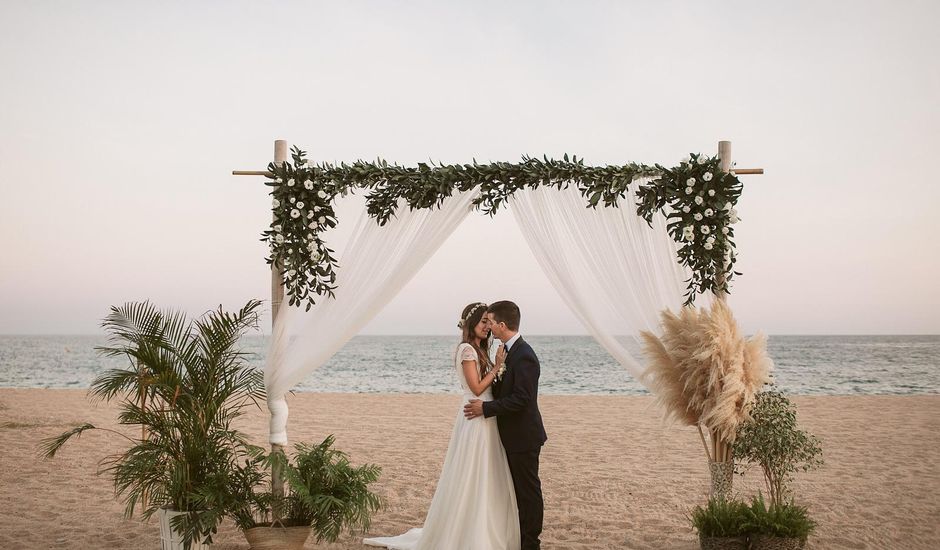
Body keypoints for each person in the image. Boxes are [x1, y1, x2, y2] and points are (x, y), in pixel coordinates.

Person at [364, 302, 520, 550]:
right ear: (471, 324)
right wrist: (498, 366)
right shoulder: (467, 350)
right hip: (475, 416)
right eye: (483, 323)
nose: (487, 328)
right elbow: (477, 388)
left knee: (487, 471)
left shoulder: (480, 350)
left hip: (486, 415)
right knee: (472, 471)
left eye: (489, 324)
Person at [464, 300, 547, 550]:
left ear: (502, 324)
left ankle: (530, 544)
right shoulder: (507, 351)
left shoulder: (524, 355)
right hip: (510, 434)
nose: (488, 326)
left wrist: (486, 408)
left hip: (523, 436)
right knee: (516, 491)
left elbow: (522, 399)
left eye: (490, 321)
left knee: (528, 492)